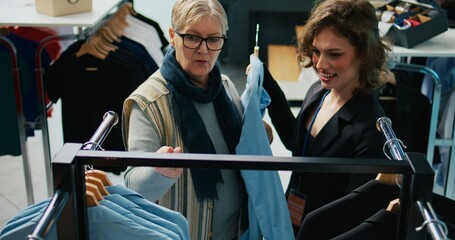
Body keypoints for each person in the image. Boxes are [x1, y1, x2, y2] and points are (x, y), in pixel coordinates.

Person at [258, 0, 391, 235]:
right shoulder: (320, 92)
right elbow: (296, 142)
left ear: (364, 54)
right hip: (292, 221)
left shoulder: (371, 130)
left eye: (334, 54)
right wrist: (265, 80)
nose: (320, 64)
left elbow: (354, 216)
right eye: (317, 51)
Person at [121, 0, 249, 239]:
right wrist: (156, 171)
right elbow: (133, 189)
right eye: (192, 37)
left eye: (213, 39)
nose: (203, 50)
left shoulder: (226, 88)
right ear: (172, 36)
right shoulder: (149, 103)